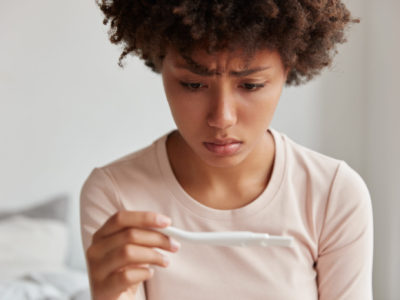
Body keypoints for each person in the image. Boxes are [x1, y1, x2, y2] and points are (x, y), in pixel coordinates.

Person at [80, 1, 373, 299]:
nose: (222, 118)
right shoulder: (116, 194)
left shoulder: (333, 194)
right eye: (193, 85)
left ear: (288, 69)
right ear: (160, 62)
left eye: (251, 85)